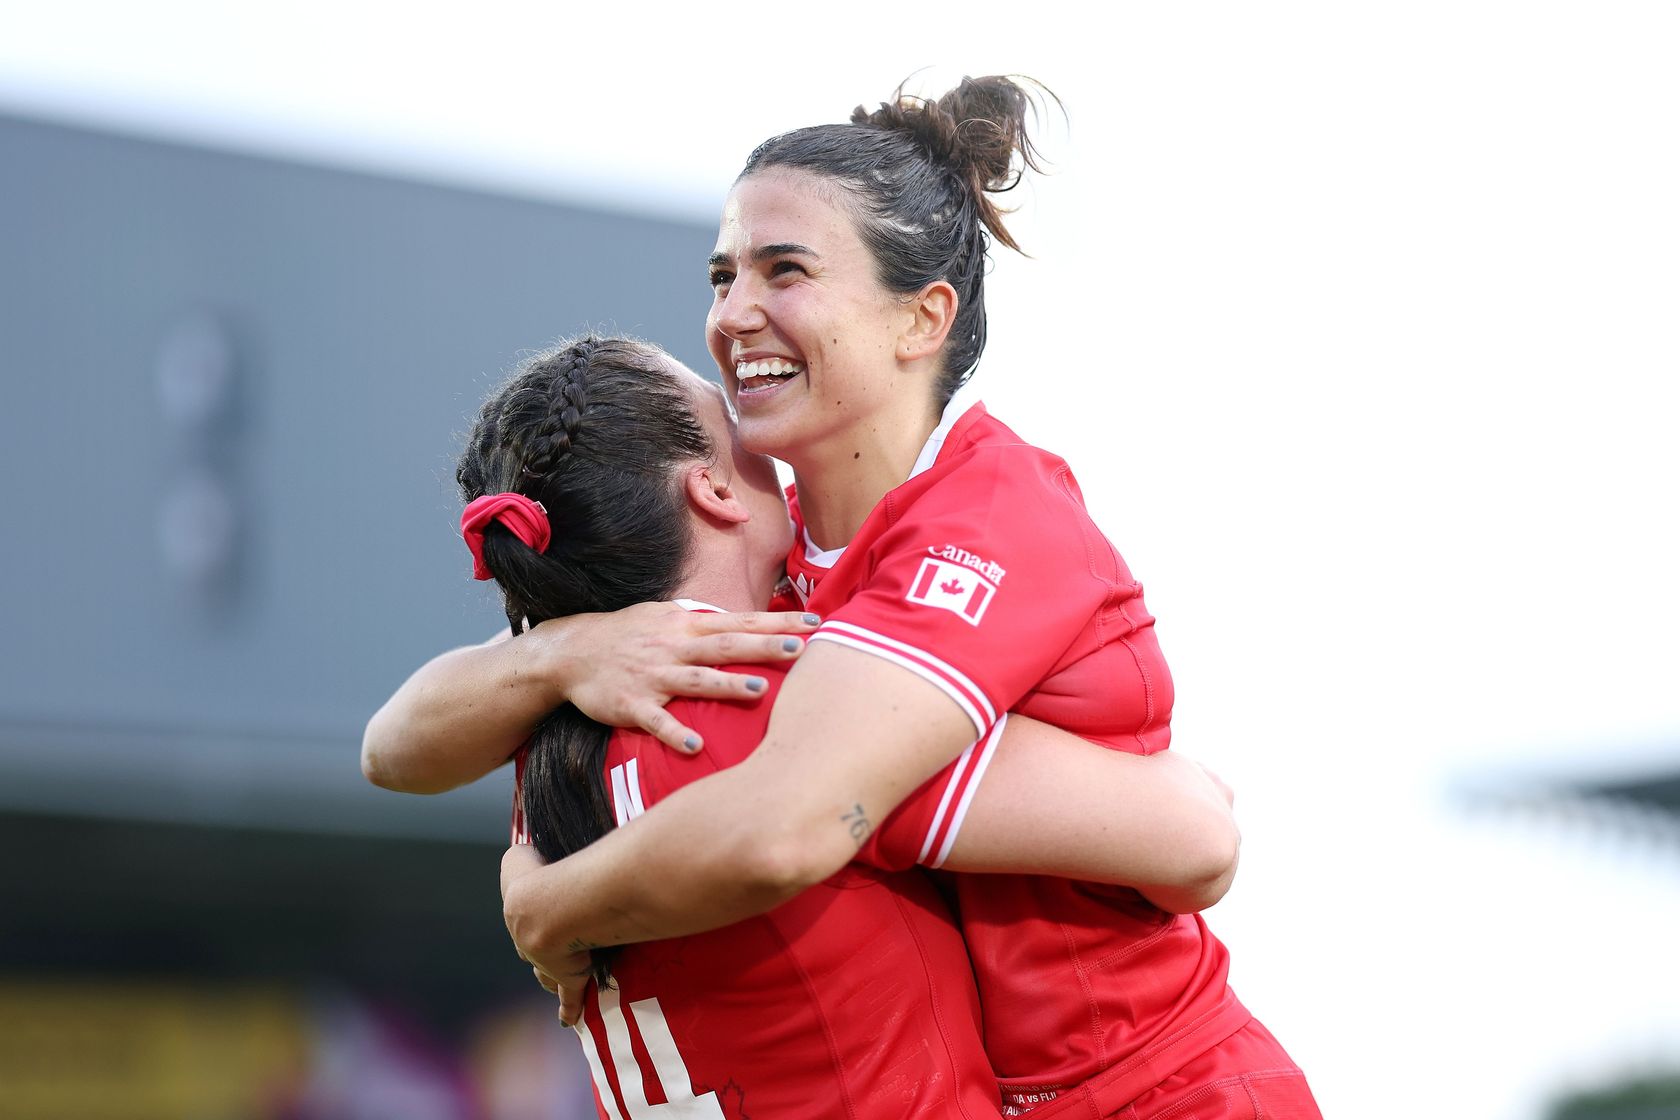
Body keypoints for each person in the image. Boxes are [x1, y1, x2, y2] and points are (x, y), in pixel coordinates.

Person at [369, 76, 1319, 1119]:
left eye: (786, 270)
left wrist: (550, 903)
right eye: (722, 275)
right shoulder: (747, 597)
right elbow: (392, 745)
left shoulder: (982, 513)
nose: (733, 314)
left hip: (1167, 1095)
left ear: (923, 317)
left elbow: (1187, 832)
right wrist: (561, 653)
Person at [458, 336, 1241, 1119]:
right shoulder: (775, 702)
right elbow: (1194, 837)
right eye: (734, 422)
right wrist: (1189, 780)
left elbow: (396, 746)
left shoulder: (536, 735)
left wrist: (543, 899)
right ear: (713, 491)